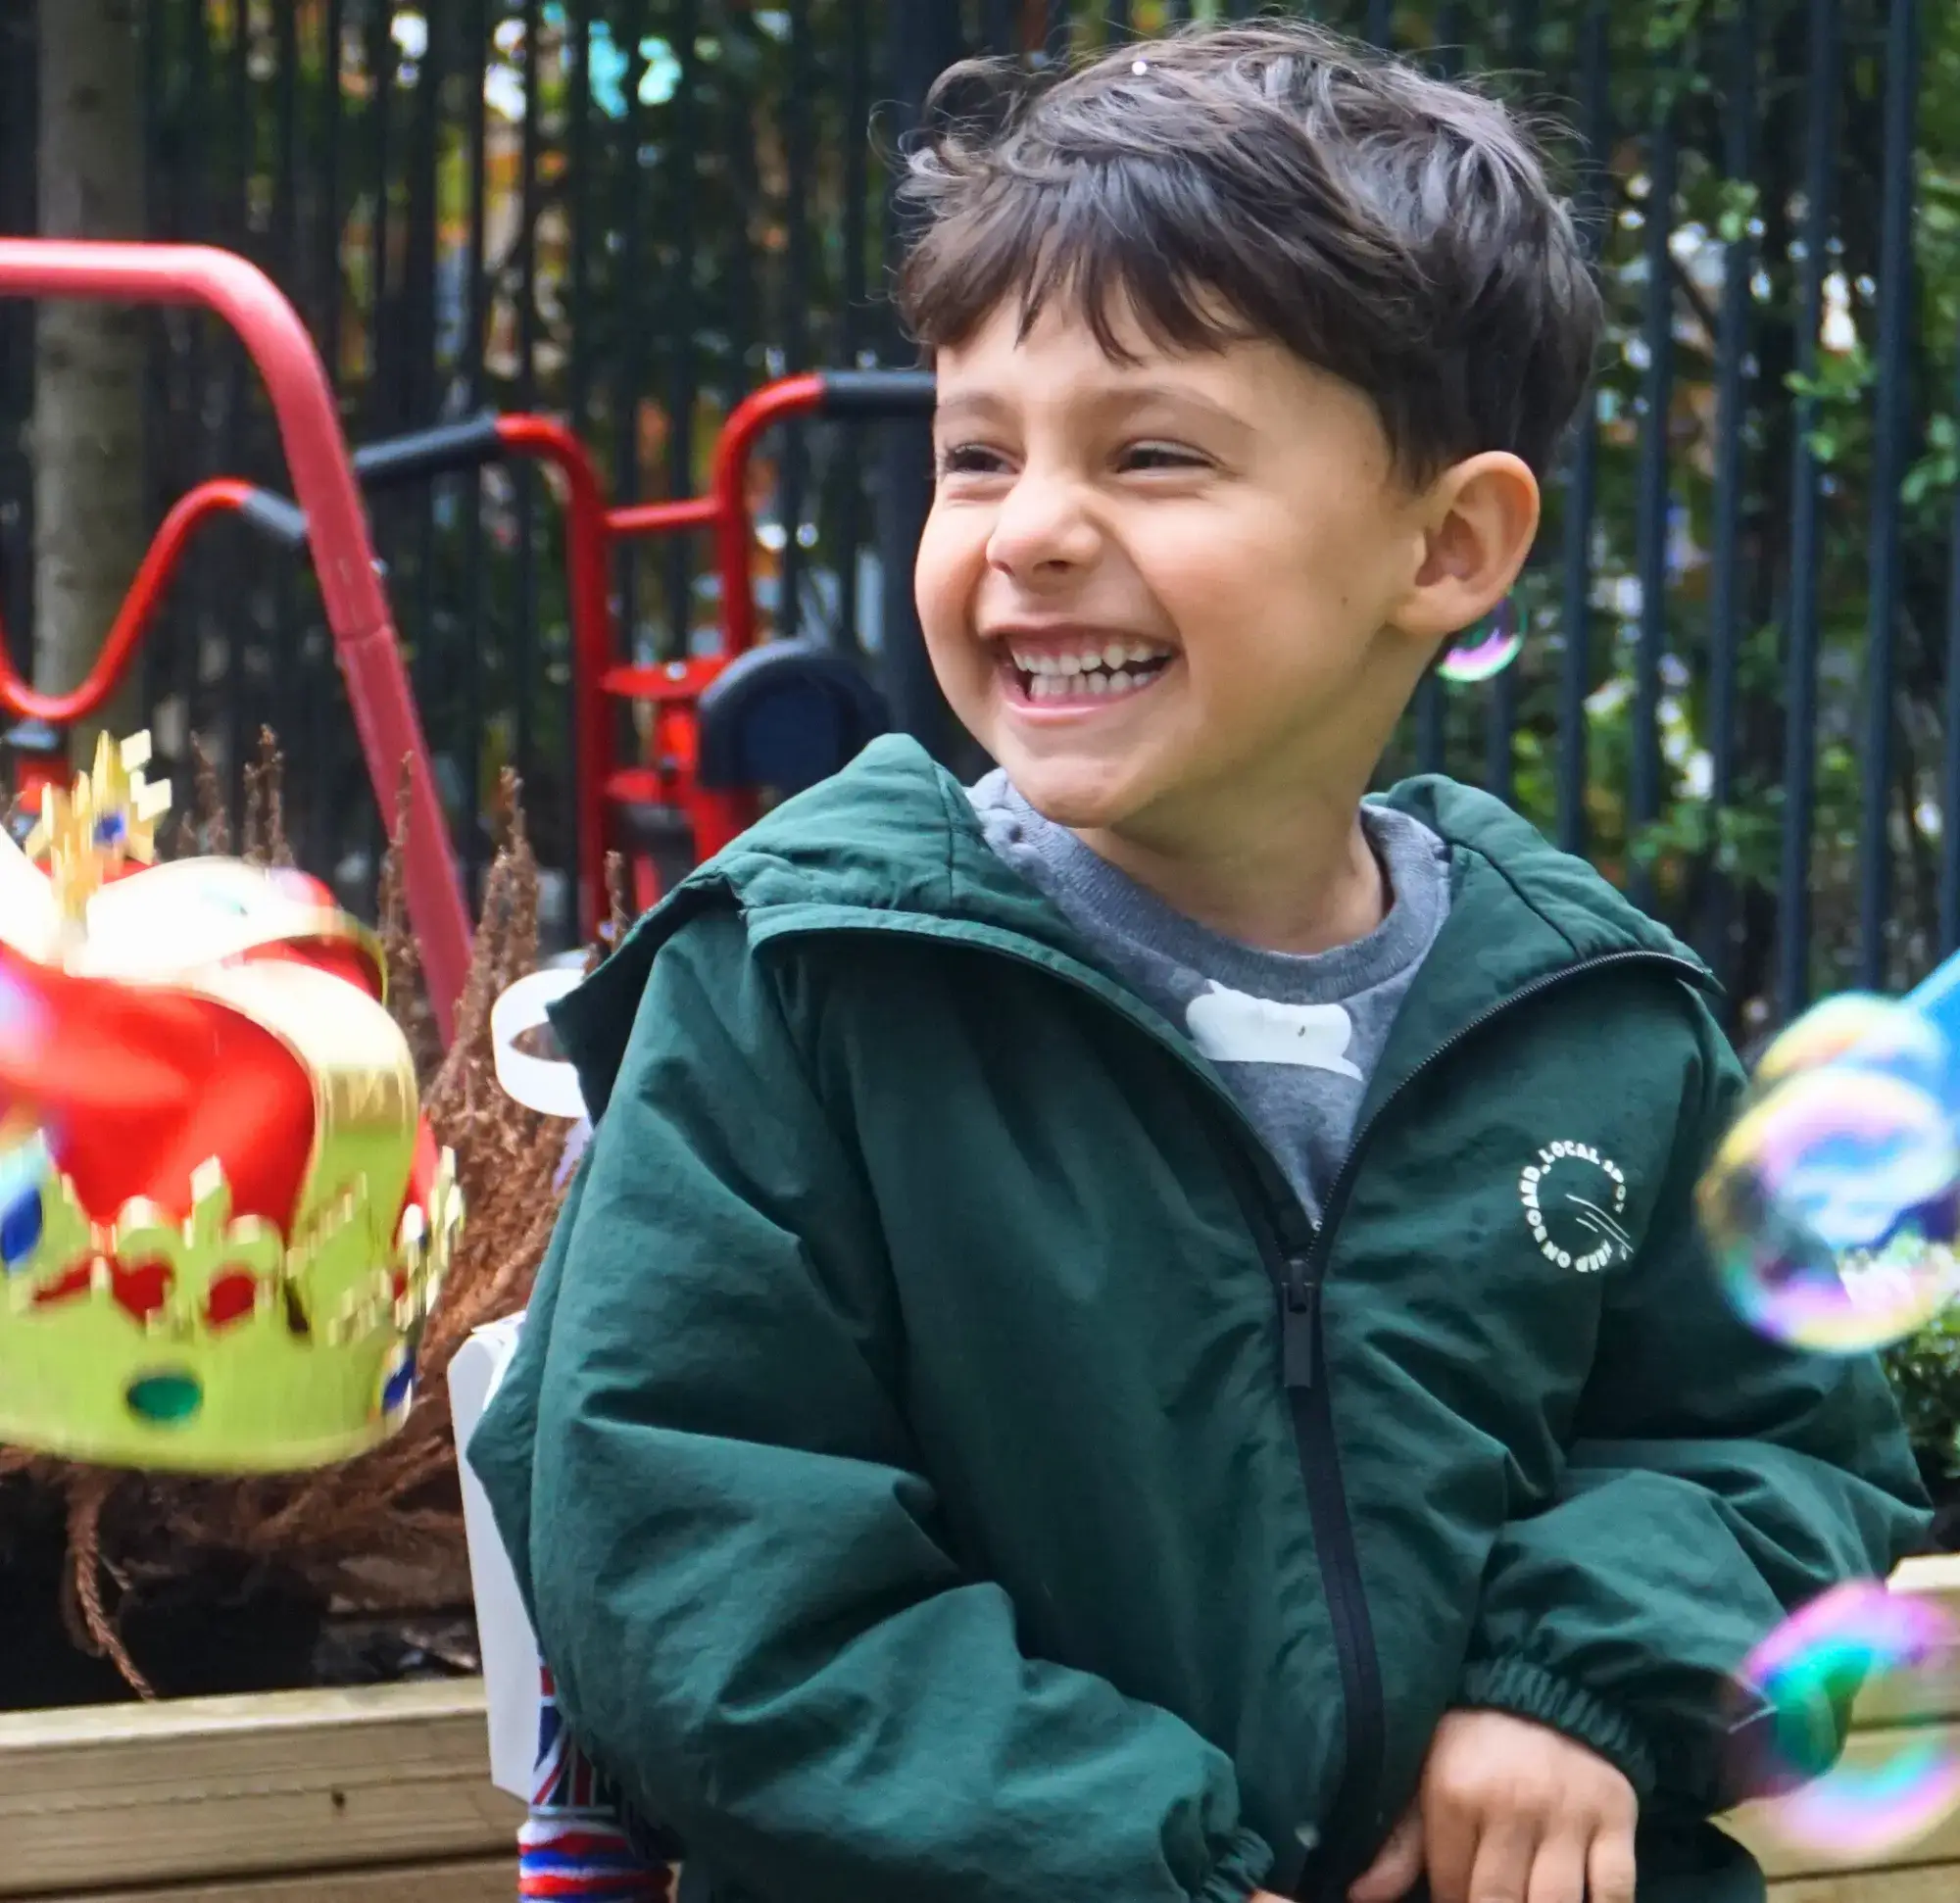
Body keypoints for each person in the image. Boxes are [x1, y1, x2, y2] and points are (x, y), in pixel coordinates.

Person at [467, 21, 1930, 1903]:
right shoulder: (805, 987)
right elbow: (686, 1548)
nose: (1030, 531)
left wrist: (1573, 1689)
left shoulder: (1596, 1022)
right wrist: (1137, 1852)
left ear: (1450, 544)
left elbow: (1775, 1446)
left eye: (1152, 453)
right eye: (977, 455)